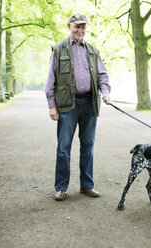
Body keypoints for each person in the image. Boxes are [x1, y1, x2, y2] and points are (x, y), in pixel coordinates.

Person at [45, 13, 111, 201]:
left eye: (83, 27)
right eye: (77, 27)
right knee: (64, 147)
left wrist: (105, 92)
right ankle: (61, 187)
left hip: (90, 104)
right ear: (69, 26)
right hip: (67, 105)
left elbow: (103, 76)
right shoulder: (58, 50)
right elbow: (51, 79)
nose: (80, 31)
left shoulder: (93, 51)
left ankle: (87, 186)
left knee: (88, 146)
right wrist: (52, 106)